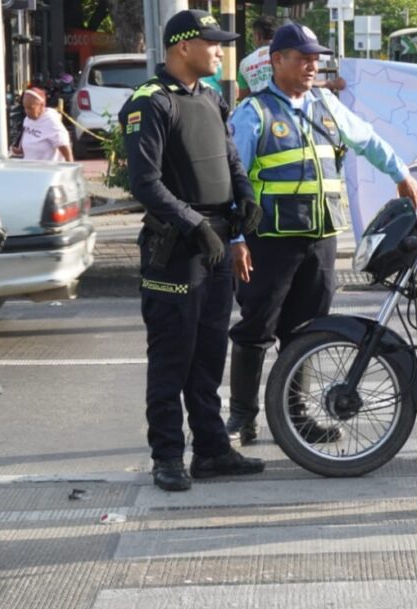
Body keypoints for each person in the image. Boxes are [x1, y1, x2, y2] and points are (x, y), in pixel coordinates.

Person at [224, 23, 417, 444]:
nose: (312, 65)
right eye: (302, 57)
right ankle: (243, 415)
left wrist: (400, 172)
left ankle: (296, 418)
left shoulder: (326, 105)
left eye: (315, 57)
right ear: (277, 61)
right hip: (270, 241)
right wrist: (236, 239)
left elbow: (367, 139)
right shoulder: (253, 113)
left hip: (320, 239)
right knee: (256, 327)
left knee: (308, 332)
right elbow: (231, 180)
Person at [118, 9, 266, 492]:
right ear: (184, 46)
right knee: (171, 358)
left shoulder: (212, 97)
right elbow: (145, 182)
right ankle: (167, 457)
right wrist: (192, 222)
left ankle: (211, 450)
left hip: (217, 241)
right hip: (177, 248)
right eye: (213, 42)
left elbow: (230, 156)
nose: (220, 50)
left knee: (208, 354)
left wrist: (244, 198)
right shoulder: (151, 102)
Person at [237, 16, 345, 101]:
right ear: (277, 60)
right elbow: (298, 83)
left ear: (257, 36)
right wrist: (331, 83)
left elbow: (243, 95)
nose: (313, 67)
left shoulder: (245, 63)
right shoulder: (285, 54)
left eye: (315, 59)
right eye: (305, 59)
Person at [12, 87, 73, 162]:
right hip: (31, 169)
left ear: (41, 106)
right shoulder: (27, 120)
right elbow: (28, 144)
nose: (27, 111)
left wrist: (70, 171)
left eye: (31, 108)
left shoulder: (51, 122)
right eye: (25, 107)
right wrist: (18, 150)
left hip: (49, 170)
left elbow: (66, 151)